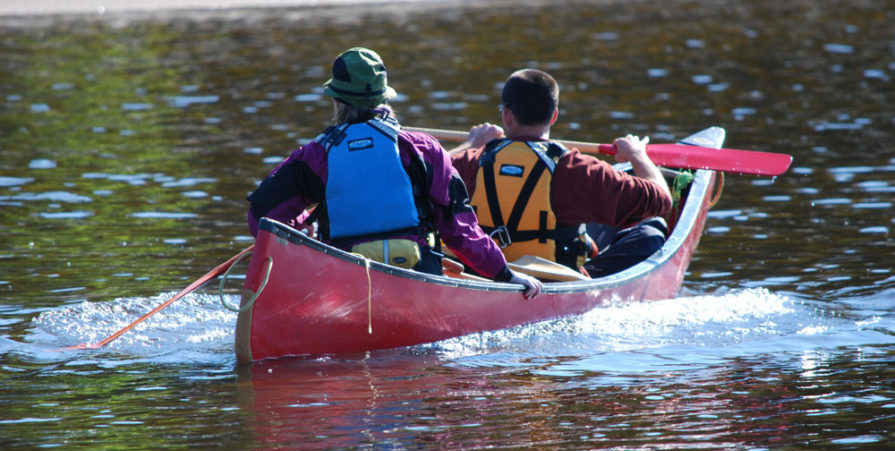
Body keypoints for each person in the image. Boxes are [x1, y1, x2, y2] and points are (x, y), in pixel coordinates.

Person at [246, 47, 541, 299]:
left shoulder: (315, 155)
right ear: (384, 99)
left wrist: (300, 230)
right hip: (419, 281)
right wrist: (505, 275)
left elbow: (261, 214)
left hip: (343, 286)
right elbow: (459, 230)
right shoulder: (424, 149)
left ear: (336, 101)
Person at [449, 68, 673, 277]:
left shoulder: (470, 161)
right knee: (651, 230)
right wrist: (638, 155)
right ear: (554, 116)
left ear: (507, 115)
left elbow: (422, 172)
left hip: (482, 275)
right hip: (554, 282)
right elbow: (662, 201)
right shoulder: (578, 169)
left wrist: (471, 144)